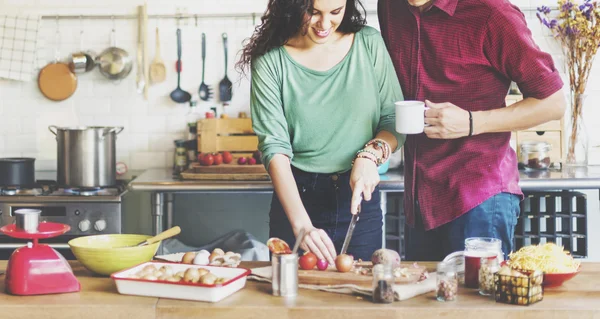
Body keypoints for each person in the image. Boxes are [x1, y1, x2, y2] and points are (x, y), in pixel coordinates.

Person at [377, 0, 567, 261]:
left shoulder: (493, 13)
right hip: (420, 201)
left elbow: (553, 103)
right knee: (424, 301)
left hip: (479, 198)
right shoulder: (391, 6)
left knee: (479, 300)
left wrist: (471, 122)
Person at [237, 0, 406, 264]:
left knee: (359, 295)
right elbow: (274, 147)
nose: (324, 25)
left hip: (358, 201)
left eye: (335, 12)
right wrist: (301, 224)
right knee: (292, 300)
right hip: (297, 198)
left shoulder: (368, 43)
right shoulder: (271, 58)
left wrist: (369, 156)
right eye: (313, 13)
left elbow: (393, 119)